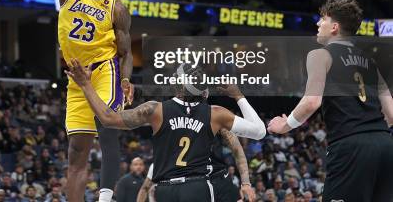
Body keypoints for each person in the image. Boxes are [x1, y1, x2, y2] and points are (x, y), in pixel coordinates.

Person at [19, 0, 134, 202]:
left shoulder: (117, 5)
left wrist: (125, 79)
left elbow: (125, 52)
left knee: (109, 133)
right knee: (76, 153)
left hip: (103, 72)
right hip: (75, 78)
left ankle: (106, 198)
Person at [66, 61, 266, 201]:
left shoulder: (154, 110)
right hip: (197, 188)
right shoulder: (216, 114)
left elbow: (107, 118)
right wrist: (238, 95)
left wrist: (85, 84)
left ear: (177, 83)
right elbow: (259, 131)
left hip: (164, 190)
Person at [268, 0, 393, 202]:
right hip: (385, 144)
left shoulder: (320, 55)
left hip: (351, 146)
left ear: (334, 27)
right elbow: (391, 113)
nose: (318, 24)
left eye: (322, 19)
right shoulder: (370, 62)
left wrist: (285, 124)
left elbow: (311, 102)